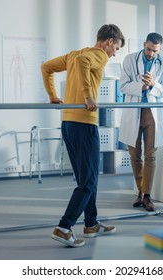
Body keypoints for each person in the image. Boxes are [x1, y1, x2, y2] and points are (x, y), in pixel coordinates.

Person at [40, 24, 125, 247]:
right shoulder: (98, 55)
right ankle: (64, 227)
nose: (114, 53)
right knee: (88, 181)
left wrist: (52, 95)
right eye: (116, 47)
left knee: (87, 179)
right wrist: (88, 96)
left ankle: (91, 224)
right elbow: (83, 63)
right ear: (109, 42)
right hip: (84, 124)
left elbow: (46, 67)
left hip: (68, 123)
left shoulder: (74, 53)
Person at [118, 33, 163, 211]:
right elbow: (123, 86)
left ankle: (147, 196)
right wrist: (141, 86)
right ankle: (140, 192)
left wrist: (154, 84)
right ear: (144, 44)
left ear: (160, 49)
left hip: (152, 111)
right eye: (148, 49)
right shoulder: (129, 59)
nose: (150, 53)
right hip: (133, 109)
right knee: (135, 154)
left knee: (150, 154)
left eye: (154, 51)